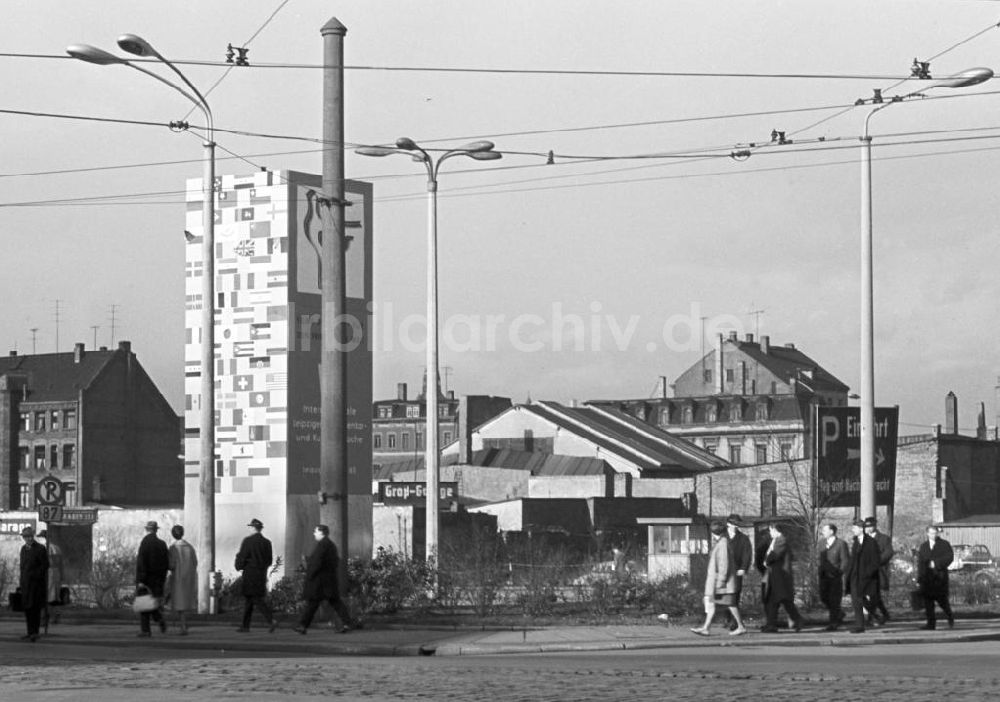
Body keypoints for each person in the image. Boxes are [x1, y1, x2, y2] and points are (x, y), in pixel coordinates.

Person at [294, 524, 355, 634]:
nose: (314, 533)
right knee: (333, 602)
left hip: (320, 582)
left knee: (313, 603)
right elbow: (333, 561)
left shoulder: (323, 545)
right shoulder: (330, 545)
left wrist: (310, 573)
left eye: (315, 531)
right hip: (328, 580)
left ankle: (303, 626)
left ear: (321, 532)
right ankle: (347, 623)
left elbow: (317, 562)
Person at [690, 521, 746, 636]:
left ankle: (740, 626)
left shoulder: (723, 544)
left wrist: (720, 581)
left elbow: (723, 564)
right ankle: (706, 627)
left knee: (730, 604)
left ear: (714, 533)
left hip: (722, 583)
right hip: (718, 581)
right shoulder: (722, 543)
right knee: (713, 603)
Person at [234, 518, 277, 632]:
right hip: (261, 574)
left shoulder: (248, 541)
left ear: (253, 528)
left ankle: (271, 619)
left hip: (250, 574)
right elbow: (269, 560)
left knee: (256, 599)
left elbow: (242, 557)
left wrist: (239, 566)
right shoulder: (267, 542)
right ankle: (245, 625)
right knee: (250, 599)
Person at [761, 522, 803, 633]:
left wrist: (766, 561)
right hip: (775, 575)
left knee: (782, 600)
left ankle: (796, 620)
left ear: (775, 530)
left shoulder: (781, 540)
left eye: (770, 530)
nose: (770, 533)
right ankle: (772, 624)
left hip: (780, 576)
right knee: (775, 601)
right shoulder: (776, 541)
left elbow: (774, 555)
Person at [844, 518, 880, 634]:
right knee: (857, 600)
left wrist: (868, 573)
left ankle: (862, 624)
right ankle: (862, 623)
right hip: (855, 576)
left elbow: (875, 561)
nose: (852, 530)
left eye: (854, 528)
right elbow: (853, 559)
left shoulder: (871, 542)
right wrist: (848, 573)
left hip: (865, 577)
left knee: (859, 599)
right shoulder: (856, 542)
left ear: (860, 529)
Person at [916, 525, 955, 630]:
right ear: (927, 534)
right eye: (931, 533)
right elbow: (920, 563)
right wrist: (919, 579)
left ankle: (950, 616)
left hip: (940, 577)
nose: (934, 535)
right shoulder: (923, 546)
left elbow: (949, 557)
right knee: (928, 602)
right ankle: (931, 623)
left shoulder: (944, 544)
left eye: (935, 533)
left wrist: (937, 563)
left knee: (942, 601)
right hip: (927, 579)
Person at [136, 520, 169, 637]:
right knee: (153, 602)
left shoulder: (145, 542)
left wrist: (141, 580)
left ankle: (145, 630)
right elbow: (166, 563)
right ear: (156, 530)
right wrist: (162, 579)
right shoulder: (162, 544)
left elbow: (142, 563)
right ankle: (159, 618)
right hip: (158, 580)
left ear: (147, 529)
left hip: (146, 579)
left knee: (144, 604)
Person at [817, 523, 850, 631]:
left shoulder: (841, 544)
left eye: (825, 530)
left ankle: (833, 623)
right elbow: (818, 558)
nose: (823, 532)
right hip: (823, 576)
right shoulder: (821, 543)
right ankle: (839, 613)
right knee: (823, 597)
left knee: (834, 600)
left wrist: (840, 572)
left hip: (835, 577)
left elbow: (845, 560)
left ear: (831, 531)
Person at [167, 525, 198, 635]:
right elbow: (195, 562)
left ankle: (183, 626)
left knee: (180, 604)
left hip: (178, 578)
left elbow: (171, 565)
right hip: (189, 577)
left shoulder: (173, 548)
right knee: (186, 602)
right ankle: (183, 625)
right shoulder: (190, 547)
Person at [19, 526, 48, 642]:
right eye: (26, 537)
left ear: (33, 536)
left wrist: (35, 575)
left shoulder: (40, 549)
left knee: (35, 609)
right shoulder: (23, 549)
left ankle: (35, 632)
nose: (28, 539)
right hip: (26, 584)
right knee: (27, 609)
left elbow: (45, 565)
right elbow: (22, 567)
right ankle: (29, 632)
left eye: (30, 536)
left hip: (36, 585)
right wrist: (21, 582)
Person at [724, 514, 752, 631]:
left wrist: (743, 568)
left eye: (737, 525)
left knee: (735, 596)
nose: (735, 527)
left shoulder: (743, 539)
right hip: (724, 572)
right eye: (733, 524)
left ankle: (734, 622)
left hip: (736, 571)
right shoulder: (722, 537)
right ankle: (728, 619)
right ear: (728, 524)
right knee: (725, 597)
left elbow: (747, 554)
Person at [865, 516, 893, 625]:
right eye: (866, 526)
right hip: (865, 571)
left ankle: (871, 617)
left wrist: (876, 562)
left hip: (878, 570)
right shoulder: (863, 538)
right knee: (870, 595)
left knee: (874, 594)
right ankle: (884, 615)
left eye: (870, 526)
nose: (867, 528)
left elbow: (888, 552)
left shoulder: (883, 538)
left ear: (874, 526)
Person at [38, 529, 64, 631]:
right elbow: (61, 563)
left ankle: (46, 618)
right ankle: (54, 616)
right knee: (53, 597)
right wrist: (62, 574)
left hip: (49, 572)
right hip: (55, 573)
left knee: (47, 597)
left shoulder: (46, 548)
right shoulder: (56, 548)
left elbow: (48, 562)